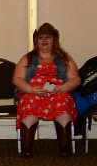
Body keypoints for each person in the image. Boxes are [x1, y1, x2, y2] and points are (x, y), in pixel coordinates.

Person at [12, 22, 81, 158]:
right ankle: (26, 147)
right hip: (33, 92)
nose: (44, 40)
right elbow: (17, 79)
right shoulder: (27, 58)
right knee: (29, 102)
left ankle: (64, 147)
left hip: (58, 92)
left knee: (63, 101)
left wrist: (62, 88)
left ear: (54, 40)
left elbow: (75, 79)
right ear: (36, 40)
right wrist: (31, 89)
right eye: (41, 37)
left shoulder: (65, 59)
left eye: (48, 37)